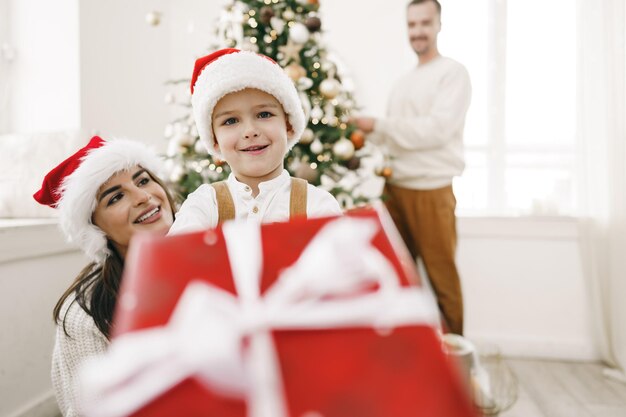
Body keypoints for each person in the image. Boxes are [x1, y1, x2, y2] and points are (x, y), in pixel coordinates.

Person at [33, 136, 176, 417]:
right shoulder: (83, 315)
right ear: (96, 230)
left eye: (143, 180)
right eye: (116, 197)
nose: (143, 197)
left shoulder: (221, 249)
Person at [353, 0, 471, 335]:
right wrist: (360, 133)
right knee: (397, 275)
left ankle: (458, 363)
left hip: (431, 190)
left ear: (439, 25)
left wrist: (378, 125)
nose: (418, 31)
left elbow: (436, 131)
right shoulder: (404, 82)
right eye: (412, 24)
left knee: (442, 280)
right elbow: (394, 138)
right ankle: (413, 355)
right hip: (394, 189)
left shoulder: (452, 73)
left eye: (425, 23)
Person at [168, 48, 341, 234]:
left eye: (264, 114)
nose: (250, 132)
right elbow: (174, 256)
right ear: (214, 139)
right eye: (230, 121)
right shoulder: (205, 204)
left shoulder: (316, 205)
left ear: (289, 124)